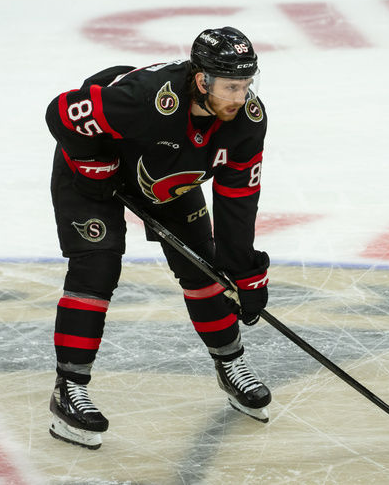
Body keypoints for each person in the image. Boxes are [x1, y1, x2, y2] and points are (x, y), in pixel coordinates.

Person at [44, 26, 271, 450]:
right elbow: (61, 112)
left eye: (245, 86)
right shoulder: (149, 98)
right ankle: (68, 388)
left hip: (168, 176)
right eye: (230, 87)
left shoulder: (246, 123)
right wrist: (93, 164)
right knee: (98, 265)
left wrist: (243, 271)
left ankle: (231, 364)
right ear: (202, 80)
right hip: (95, 169)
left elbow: (238, 202)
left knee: (204, 267)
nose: (240, 98)